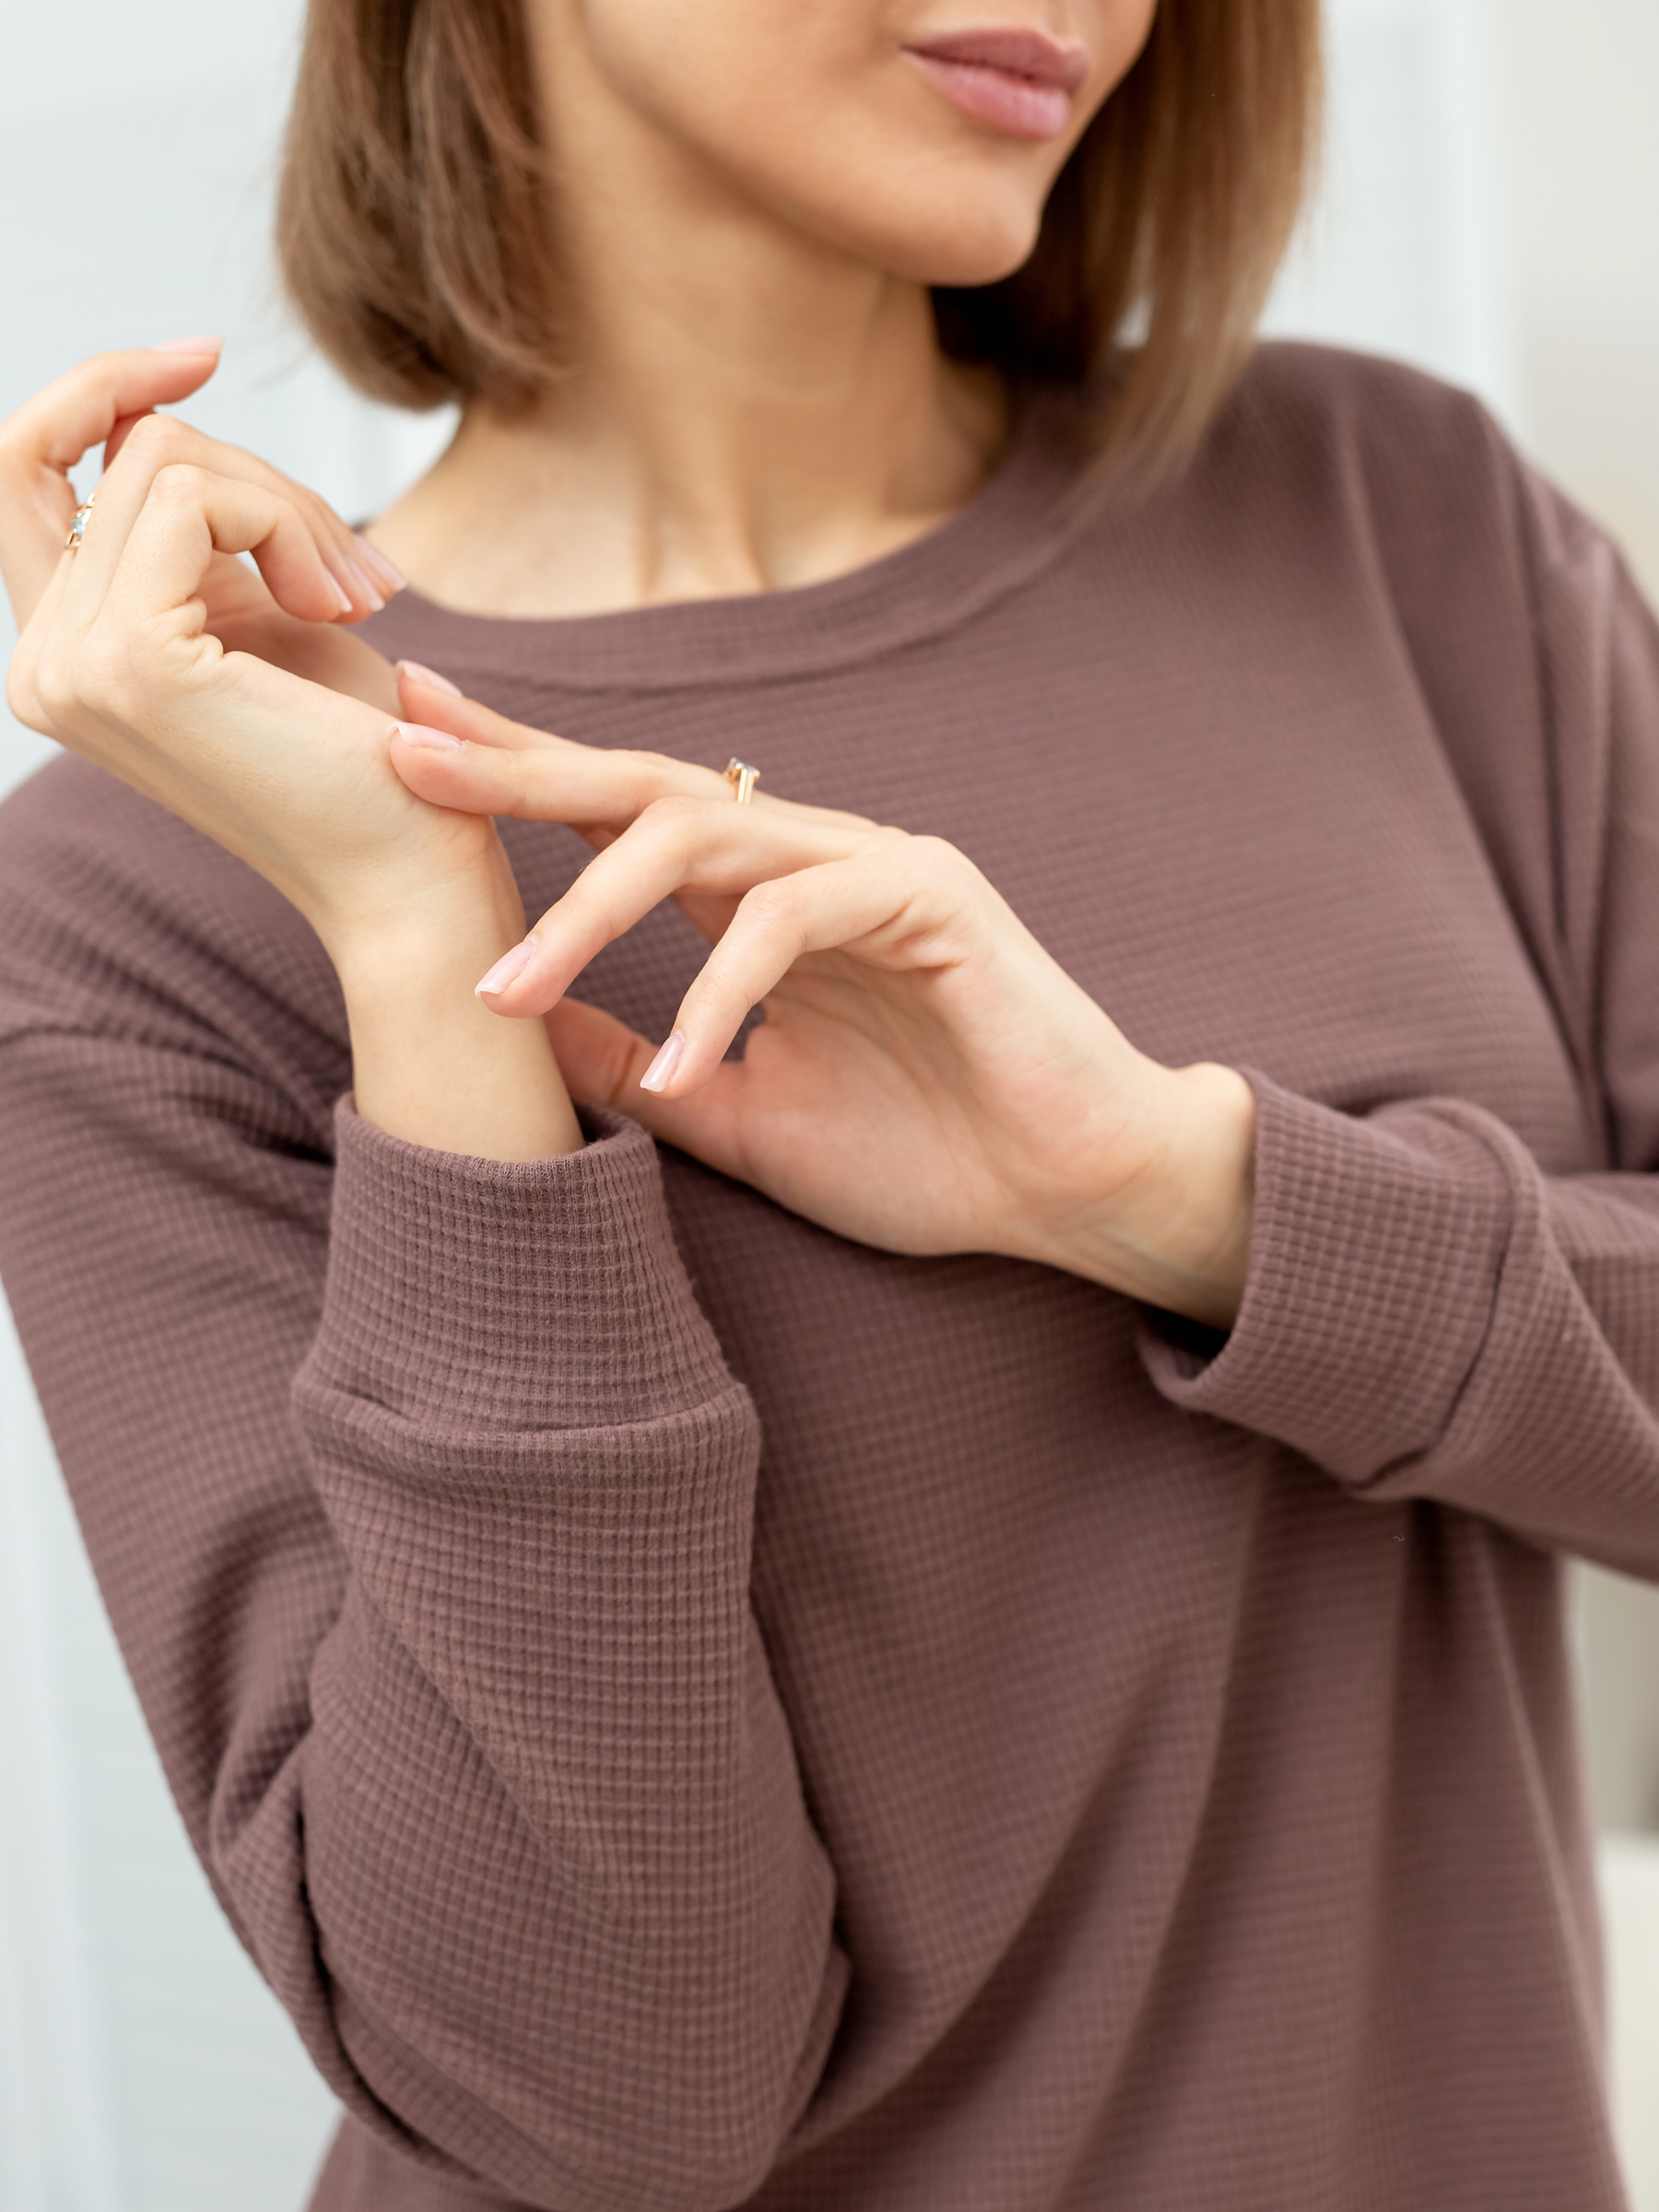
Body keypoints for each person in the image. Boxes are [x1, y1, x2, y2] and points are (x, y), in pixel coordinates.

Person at [0, 1, 1653, 2206]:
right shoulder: (140, 898)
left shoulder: (1397, 519)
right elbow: (603, 2100)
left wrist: (1184, 1197)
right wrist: (423, 939)